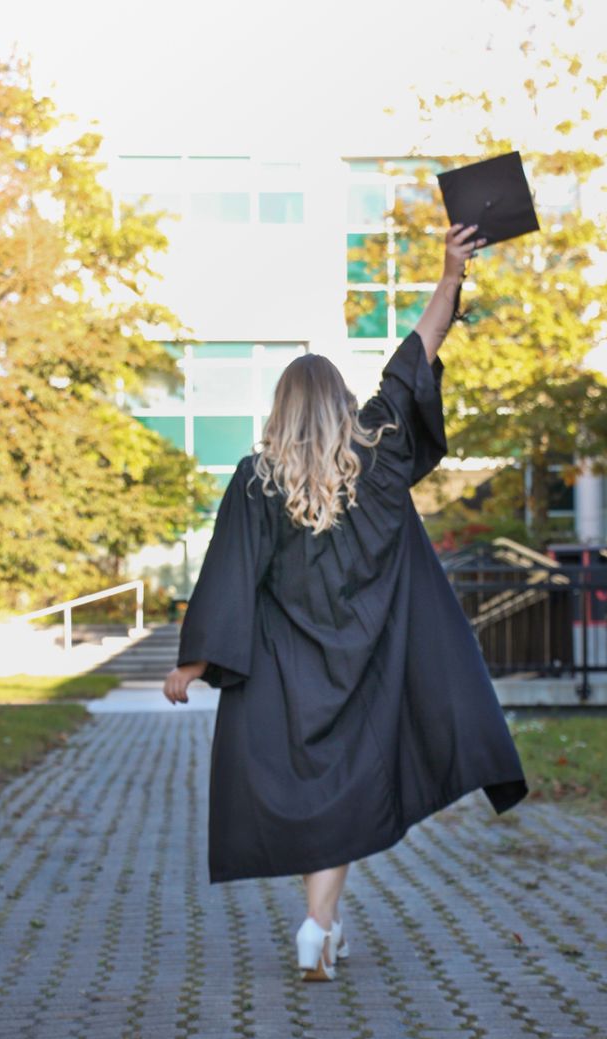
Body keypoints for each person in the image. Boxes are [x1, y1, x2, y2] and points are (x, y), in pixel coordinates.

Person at [163, 223, 529, 981]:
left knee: (319, 802)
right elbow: (417, 354)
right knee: (346, 801)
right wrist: (448, 272)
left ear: (280, 409)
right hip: (366, 670)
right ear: (338, 405)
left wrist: (192, 664)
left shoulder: (256, 480)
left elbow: (228, 575)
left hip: (285, 675)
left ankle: (317, 928)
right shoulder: (378, 454)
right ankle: (318, 927)